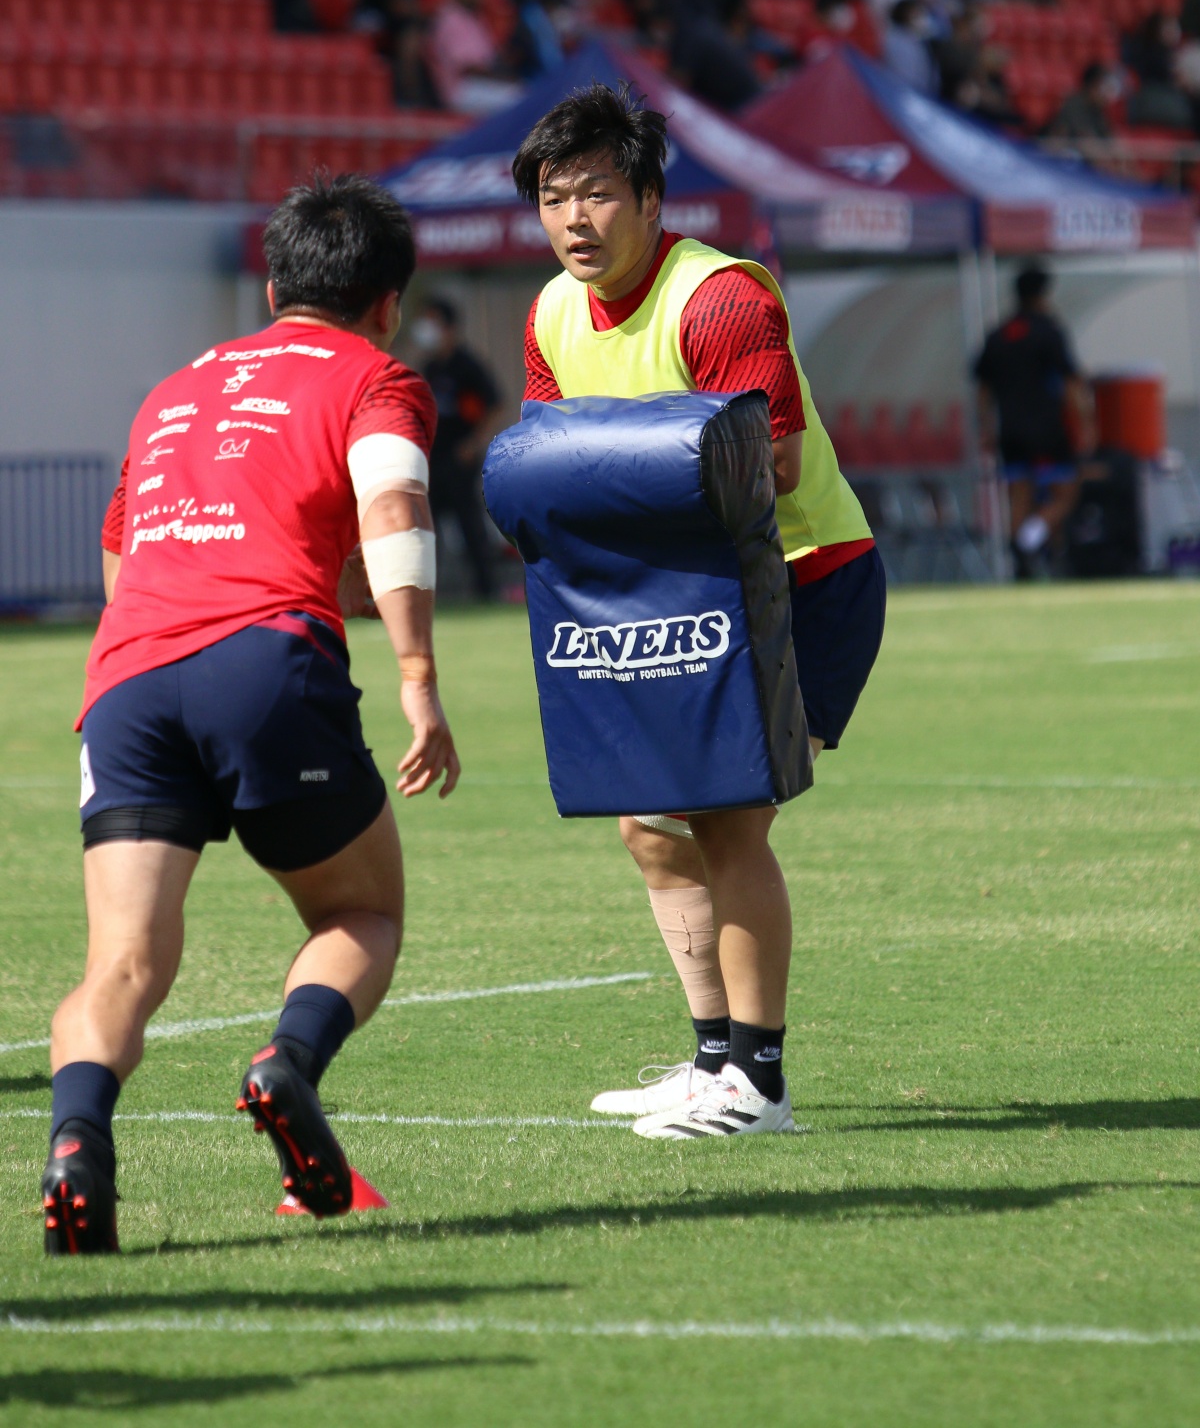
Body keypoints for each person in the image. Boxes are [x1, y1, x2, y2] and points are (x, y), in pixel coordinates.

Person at [42, 175, 460, 1254]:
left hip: (127, 675)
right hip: (264, 661)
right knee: (360, 914)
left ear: (273, 289)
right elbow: (394, 503)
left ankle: (77, 1140)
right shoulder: (376, 375)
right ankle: (288, 1064)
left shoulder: (175, 388)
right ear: (388, 304)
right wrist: (417, 674)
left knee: (121, 966)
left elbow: (124, 554)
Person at [513, 84, 885, 1139]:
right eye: (554, 198)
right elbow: (549, 463)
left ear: (649, 197)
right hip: (676, 588)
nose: (575, 220)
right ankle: (714, 1060)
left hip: (801, 580)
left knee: (723, 817)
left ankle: (760, 1087)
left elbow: (772, 464)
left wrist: (607, 492)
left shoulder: (719, 299)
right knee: (650, 827)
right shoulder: (549, 312)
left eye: (597, 193)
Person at [974, 265, 1095, 579]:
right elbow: (1071, 384)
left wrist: (985, 428)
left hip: (1010, 431)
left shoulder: (998, 334)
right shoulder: (1048, 331)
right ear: (1043, 295)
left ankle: (1023, 561)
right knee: (1066, 492)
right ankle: (1029, 539)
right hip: (1047, 430)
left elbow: (983, 389)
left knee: (1019, 494)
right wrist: (1086, 425)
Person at [412, 297, 504, 601]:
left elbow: (495, 404)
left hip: (459, 459)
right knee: (428, 527)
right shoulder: (430, 368)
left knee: (469, 524)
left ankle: (486, 590)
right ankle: (429, 593)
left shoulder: (467, 365)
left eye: (433, 321)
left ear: (449, 328)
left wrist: (474, 443)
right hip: (433, 458)